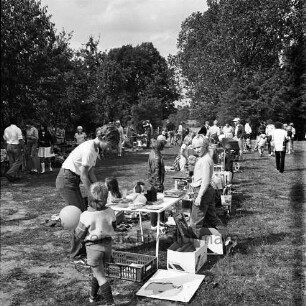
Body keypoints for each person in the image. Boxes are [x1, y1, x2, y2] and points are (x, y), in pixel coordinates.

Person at [56, 125, 118, 263]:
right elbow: (84, 176)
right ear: (103, 138)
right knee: (80, 217)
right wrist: (93, 196)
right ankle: (76, 255)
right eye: (110, 144)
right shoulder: (90, 149)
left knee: (83, 215)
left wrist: (100, 189)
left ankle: (84, 251)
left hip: (72, 179)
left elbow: (91, 173)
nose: (109, 147)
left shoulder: (96, 149)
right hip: (66, 180)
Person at [74, 182, 116, 305]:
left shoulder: (86, 215)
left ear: (89, 198)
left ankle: (111, 303)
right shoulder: (110, 211)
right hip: (107, 246)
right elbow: (115, 227)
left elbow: (79, 235)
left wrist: (74, 229)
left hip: (93, 248)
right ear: (106, 198)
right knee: (98, 272)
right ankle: (92, 297)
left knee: (101, 277)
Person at [189, 135, 224, 237]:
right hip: (206, 190)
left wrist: (199, 196)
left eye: (199, 147)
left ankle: (195, 246)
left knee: (195, 221)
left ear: (205, 145)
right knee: (211, 217)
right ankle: (224, 238)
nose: (196, 150)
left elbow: (205, 180)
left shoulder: (205, 160)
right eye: (194, 148)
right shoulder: (204, 158)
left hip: (202, 190)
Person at [147, 139, 166, 230]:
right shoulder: (156, 157)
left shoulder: (153, 153)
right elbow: (156, 172)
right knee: (156, 203)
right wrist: (158, 185)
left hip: (154, 182)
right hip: (156, 184)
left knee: (157, 202)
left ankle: (161, 220)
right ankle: (154, 224)